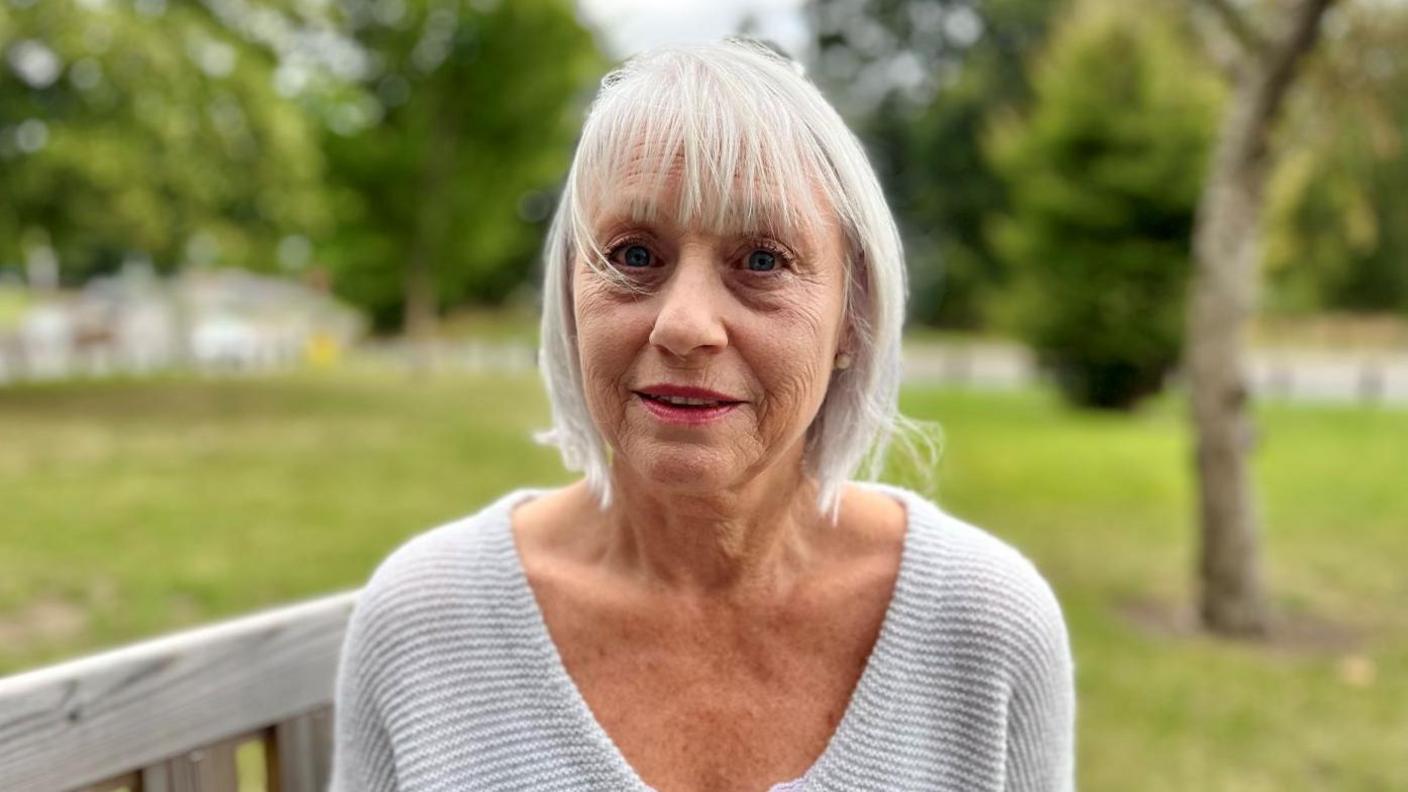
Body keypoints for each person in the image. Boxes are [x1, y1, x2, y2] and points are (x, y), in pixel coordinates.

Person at [330, 38, 1075, 792]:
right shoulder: (424, 617)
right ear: (569, 299)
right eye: (633, 255)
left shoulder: (984, 625)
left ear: (852, 317)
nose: (685, 325)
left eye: (760, 260)